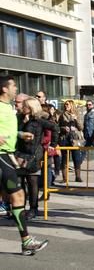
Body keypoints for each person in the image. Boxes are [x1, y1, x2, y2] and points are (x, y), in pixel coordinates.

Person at [0, 76, 48, 255]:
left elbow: (5, 129)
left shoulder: (8, 108)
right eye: (13, 85)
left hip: (7, 156)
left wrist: (20, 134)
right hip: (1, 156)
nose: (15, 88)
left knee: (17, 197)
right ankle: (26, 241)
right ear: (4, 89)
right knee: (18, 196)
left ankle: (26, 241)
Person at [16, 98, 58, 219]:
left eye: (25, 106)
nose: (23, 108)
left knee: (32, 182)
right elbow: (15, 132)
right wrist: (23, 122)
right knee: (19, 183)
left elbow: (54, 128)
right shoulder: (19, 118)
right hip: (20, 154)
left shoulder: (39, 120)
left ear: (31, 108)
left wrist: (53, 145)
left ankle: (33, 209)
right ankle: (20, 208)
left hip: (33, 155)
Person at [58, 100, 83, 182]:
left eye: (67, 104)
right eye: (65, 104)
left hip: (74, 138)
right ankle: (65, 178)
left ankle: (78, 176)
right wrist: (63, 128)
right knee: (65, 158)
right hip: (64, 138)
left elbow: (81, 127)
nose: (66, 106)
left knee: (76, 158)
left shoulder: (77, 114)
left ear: (72, 105)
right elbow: (58, 127)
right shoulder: (61, 115)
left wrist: (75, 119)